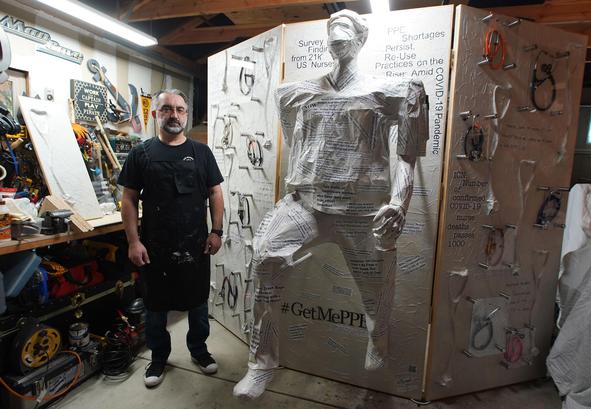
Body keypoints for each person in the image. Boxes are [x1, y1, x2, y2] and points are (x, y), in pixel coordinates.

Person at [233, 10, 429, 399]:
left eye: (345, 34)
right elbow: (296, 140)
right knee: (267, 258)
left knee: (376, 290)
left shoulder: (392, 92)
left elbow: (406, 158)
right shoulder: (295, 93)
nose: (337, 41)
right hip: (308, 204)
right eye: (333, 34)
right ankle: (262, 362)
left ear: (360, 40)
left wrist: (399, 202)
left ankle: (379, 339)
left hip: (362, 211)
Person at [119, 89, 225, 388]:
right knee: (155, 305)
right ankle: (158, 357)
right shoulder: (141, 153)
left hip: (196, 244)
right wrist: (133, 241)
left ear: (187, 115)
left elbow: (216, 192)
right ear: (156, 114)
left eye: (180, 109)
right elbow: (128, 199)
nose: (174, 115)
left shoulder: (202, 153)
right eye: (167, 109)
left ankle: (199, 351)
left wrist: (216, 231)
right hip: (154, 246)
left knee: (197, 303)